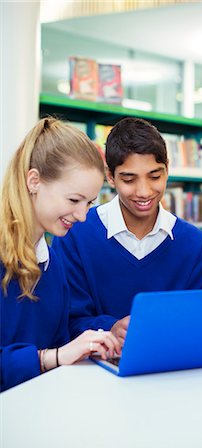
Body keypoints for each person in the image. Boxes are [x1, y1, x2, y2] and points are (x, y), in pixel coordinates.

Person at [53, 117, 202, 345]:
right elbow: (66, 322)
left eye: (155, 177)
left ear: (167, 169)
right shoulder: (76, 233)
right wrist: (109, 329)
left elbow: (201, 322)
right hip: (93, 372)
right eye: (129, 179)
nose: (144, 191)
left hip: (172, 370)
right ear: (110, 176)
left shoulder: (193, 243)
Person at [0, 117, 121, 392]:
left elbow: (60, 342)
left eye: (89, 203)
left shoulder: (52, 265)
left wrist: (89, 345)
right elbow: (51, 354)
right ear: (34, 181)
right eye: (73, 200)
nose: (81, 216)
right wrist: (51, 357)